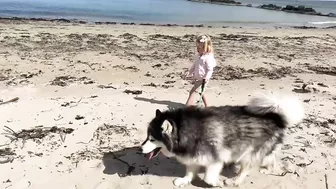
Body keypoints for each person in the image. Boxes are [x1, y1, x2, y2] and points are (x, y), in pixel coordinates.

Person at [185, 34, 216, 107]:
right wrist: (189, 72)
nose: (197, 49)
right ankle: (207, 107)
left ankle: (187, 109)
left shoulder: (208, 58)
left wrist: (206, 77)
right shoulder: (198, 56)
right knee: (201, 92)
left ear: (206, 47)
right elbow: (194, 65)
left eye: (199, 47)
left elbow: (210, 70)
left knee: (193, 93)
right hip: (197, 79)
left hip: (202, 80)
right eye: (197, 47)